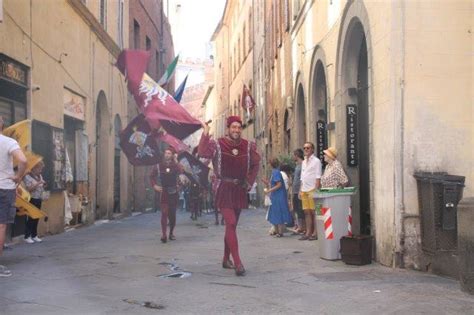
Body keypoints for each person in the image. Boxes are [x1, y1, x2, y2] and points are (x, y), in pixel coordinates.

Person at [198, 116, 260, 276]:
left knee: (231, 226)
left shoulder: (248, 146)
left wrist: (249, 181)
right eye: (233, 127)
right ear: (228, 129)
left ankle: (226, 259)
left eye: (239, 127)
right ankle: (238, 263)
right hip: (224, 187)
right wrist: (205, 133)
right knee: (231, 222)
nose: (236, 130)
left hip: (239, 188)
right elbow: (202, 153)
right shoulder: (217, 144)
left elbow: (255, 164)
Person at [0, 116, 27, 277]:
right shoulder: (8, 142)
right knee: (1, 226)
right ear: (2, 124)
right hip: (4, 188)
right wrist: (18, 177)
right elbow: (23, 160)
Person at [150, 147, 183, 243]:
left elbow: (181, 171)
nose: (167, 155)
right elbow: (152, 176)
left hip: (173, 192)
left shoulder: (176, 165)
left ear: (172, 155)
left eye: (169, 153)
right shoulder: (159, 165)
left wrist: (176, 160)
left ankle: (171, 232)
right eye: (166, 153)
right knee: (164, 213)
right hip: (164, 192)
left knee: (172, 215)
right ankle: (164, 235)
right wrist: (154, 185)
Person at [299, 142, 322, 241]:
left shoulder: (316, 161)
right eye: (304, 148)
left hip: (312, 189)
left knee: (314, 212)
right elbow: (302, 177)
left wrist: (316, 191)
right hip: (304, 189)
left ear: (312, 149)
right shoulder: (303, 162)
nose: (306, 150)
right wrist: (300, 189)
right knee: (306, 212)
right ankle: (308, 232)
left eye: (308, 148)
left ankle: (315, 233)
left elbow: (318, 177)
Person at [264, 158, 292, 237]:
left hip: (278, 195)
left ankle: (280, 232)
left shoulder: (276, 172)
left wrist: (269, 191)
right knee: (275, 212)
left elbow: (279, 184)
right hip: (276, 195)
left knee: (278, 212)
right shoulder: (275, 172)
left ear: (271, 164)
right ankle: (277, 231)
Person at [22, 161, 46, 243]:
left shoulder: (39, 176)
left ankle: (34, 235)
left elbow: (41, 186)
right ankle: (27, 236)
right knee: (31, 217)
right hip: (32, 198)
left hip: (39, 198)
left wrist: (43, 184)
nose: (41, 171)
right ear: (34, 168)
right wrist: (38, 183)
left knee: (37, 217)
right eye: (40, 168)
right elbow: (29, 189)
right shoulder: (27, 177)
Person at [292, 149, 305, 234]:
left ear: (297, 155)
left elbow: (302, 179)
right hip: (295, 190)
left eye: (294, 155)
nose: (293, 157)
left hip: (300, 191)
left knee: (301, 209)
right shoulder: (297, 165)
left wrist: (300, 189)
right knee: (297, 209)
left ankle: (302, 227)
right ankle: (300, 226)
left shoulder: (303, 165)